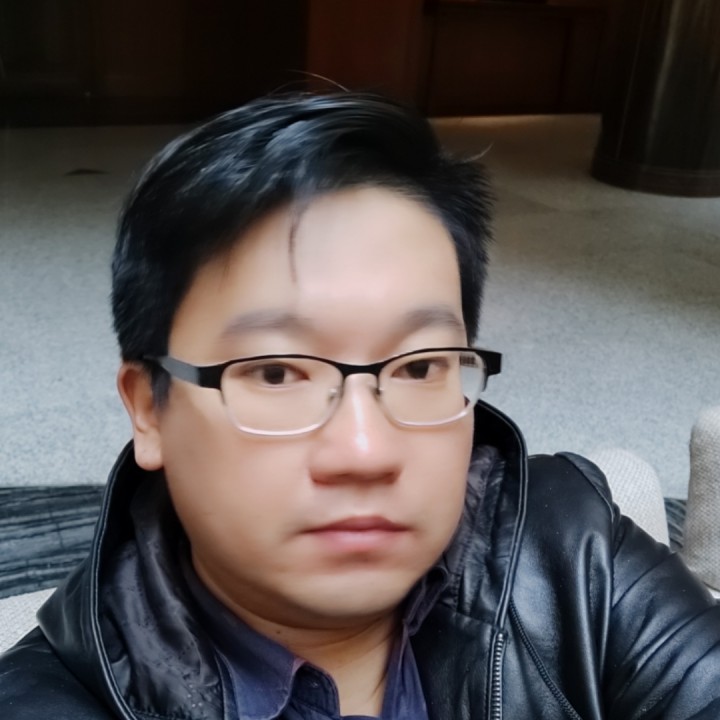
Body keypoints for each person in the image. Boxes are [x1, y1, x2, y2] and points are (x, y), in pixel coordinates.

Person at [1, 92, 719, 719]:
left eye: (420, 366)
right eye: (276, 372)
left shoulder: (574, 551)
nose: (366, 453)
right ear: (148, 409)